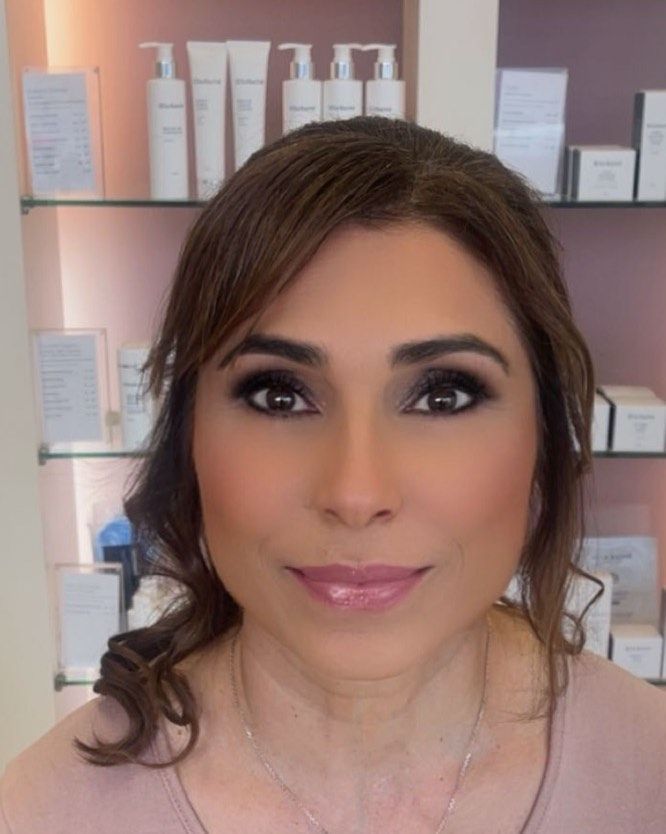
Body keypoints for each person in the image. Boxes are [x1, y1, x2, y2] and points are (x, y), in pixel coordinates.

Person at [1, 117, 665, 834]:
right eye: (278, 395)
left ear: (544, 437)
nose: (356, 493)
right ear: (186, 438)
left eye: (443, 396)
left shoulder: (646, 774)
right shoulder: (44, 811)